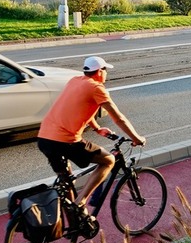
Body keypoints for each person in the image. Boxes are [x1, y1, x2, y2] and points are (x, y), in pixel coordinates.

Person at [37, 56, 146, 213]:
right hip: (65, 140)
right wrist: (137, 138)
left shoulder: (75, 80)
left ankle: (75, 221)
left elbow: (79, 107)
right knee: (108, 160)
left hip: (45, 138)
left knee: (66, 181)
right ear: (100, 71)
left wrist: (97, 128)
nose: (106, 74)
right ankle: (81, 202)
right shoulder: (96, 88)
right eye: (105, 70)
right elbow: (119, 118)